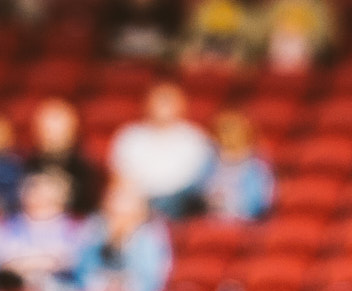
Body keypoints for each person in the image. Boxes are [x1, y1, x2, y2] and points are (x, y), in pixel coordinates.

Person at [109, 83, 215, 220]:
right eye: (159, 101)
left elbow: (200, 180)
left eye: (168, 101)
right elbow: (119, 177)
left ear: (181, 105)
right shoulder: (130, 136)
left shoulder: (195, 139)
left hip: (181, 203)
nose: (163, 107)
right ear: (147, 104)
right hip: (140, 201)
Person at [81, 182, 173, 291]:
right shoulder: (94, 229)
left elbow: (152, 275)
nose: (119, 214)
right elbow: (84, 269)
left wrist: (125, 242)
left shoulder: (150, 235)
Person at [25, 97, 103, 217]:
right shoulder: (27, 165)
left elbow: (89, 208)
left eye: (57, 129)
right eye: (46, 128)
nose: (51, 136)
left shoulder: (85, 169)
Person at [205, 111, 274, 223]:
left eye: (233, 132)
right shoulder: (210, 162)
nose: (228, 137)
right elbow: (199, 192)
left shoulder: (257, 166)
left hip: (245, 222)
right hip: (211, 220)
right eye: (224, 131)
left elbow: (261, 201)